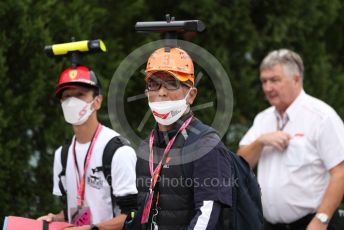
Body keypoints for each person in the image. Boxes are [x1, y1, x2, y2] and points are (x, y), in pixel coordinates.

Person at [238, 49, 344, 230]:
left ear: (296, 79)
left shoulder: (322, 117)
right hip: (270, 225)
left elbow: (340, 171)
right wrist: (261, 141)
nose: (267, 88)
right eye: (264, 81)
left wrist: (322, 219)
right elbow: (241, 163)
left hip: (312, 224)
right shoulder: (263, 119)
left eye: (275, 80)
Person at [134, 47, 234, 230]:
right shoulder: (145, 147)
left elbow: (207, 215)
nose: (161, 92)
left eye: (172, 83)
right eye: (154, 84)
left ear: (192, 95)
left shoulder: (206, 144)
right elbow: (138, 211)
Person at [38, 65, 138, 230]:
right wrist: (54, 218)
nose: (72, 102)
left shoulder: (118, 151)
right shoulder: (61, 154)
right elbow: (74, 209)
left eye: (80, 95)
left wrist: (92, 229)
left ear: (97, 102)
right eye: (66, 96)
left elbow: (132, 216)